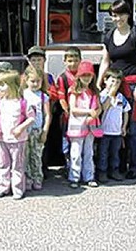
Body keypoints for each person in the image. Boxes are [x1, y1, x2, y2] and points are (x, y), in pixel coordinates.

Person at [97, 0, 136, 180]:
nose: (117, 18)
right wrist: (99, 82)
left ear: (128, 14)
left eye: (121, 14)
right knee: (115, 128)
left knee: (135, 130)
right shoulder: (108, 36)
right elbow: (106, 60)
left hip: (133, 84)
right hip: (116, 87)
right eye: (114, 15)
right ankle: (119, 165)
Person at [0, 70, 35, 200]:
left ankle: (17, 188)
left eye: (3, 85)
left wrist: (20, 128)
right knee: (3, 164)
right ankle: (3, 186)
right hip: (2, 139)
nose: (0, 88)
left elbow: (31, 118)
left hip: (18, 140)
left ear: (12, 85)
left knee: (17, 165)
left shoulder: (22, 102)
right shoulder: (1, 102)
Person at [25, 46, 58, 178]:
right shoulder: (25, 77)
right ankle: (28, 174)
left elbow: (54, 94)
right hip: (28, 120)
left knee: (42, 144)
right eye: (33, 60)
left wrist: (48, 94)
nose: (36, 63)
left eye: (39, 60)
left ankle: (42, 169)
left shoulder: (48, 77)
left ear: (44, 61)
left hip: (43, 114)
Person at [67, 60, 100, 189]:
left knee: (89, 152)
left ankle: (89, 176)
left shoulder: (94, 91)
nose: (86, 78)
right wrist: (89, 112)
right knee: (75, 152)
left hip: (90, 126)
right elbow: (73, 109)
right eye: (84, 75)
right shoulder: (74, 91)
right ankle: (74, 177)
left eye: (89, 75)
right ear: (78, 76)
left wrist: (95, 114)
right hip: (77, 125)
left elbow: (99, 107)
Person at [97, 68, 131, 183]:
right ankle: (102, 172)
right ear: (105, 80)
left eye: (117, 82)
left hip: (117, 132)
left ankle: (114, 170)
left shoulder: (121, 97)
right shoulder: (102, 95)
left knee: (115, 153)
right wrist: (110, 96)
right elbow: (103, 109)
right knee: (103, 153)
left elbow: (126, 111)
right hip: (104, 132)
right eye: (112, 81)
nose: (114, 84)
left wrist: (124, 127)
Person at [22, 65, 51, 191]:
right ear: (26, 80)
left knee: (36, 156)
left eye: (38, 81)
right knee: (25, 155)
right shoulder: (22, 94)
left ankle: (37, 178)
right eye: (32, 81)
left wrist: (45, 131)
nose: (35, 84)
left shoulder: (43, 96)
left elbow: (48, 114)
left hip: (37, 130)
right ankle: (27, 178)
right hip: (24, 130)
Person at [55, 47, 82, 176]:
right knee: (67, 141)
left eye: (76, 60)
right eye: (70, 60)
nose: (73, 63)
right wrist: (68, 112)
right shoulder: (62, 78)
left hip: (83, 117)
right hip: (68, 117)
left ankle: (80, 166)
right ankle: (68, 166)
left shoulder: (84, 76)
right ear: (64, 61)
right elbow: (61, 98)